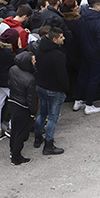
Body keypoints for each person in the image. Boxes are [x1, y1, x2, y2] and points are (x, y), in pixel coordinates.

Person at [33, 26, 68, 155]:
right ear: (54, 39)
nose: (63, 38)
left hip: (41, 86)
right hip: (54, 90)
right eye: (61, 37)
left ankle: (38, 138)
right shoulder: (58, 55)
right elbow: (62, 76)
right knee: (53, 117)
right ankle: (48, 145)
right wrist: (65, 88)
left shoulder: (39, 49)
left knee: (42, 113)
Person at [7, 51, 37, 166]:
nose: (34, 62)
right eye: (33, 60)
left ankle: (12, 151)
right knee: (21, 133)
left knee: (15, 130)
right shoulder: (30, 79)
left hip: (13, 103)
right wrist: (33, 112)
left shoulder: (13, 69)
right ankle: (16, 157)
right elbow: (31, 98)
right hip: (23, 107)